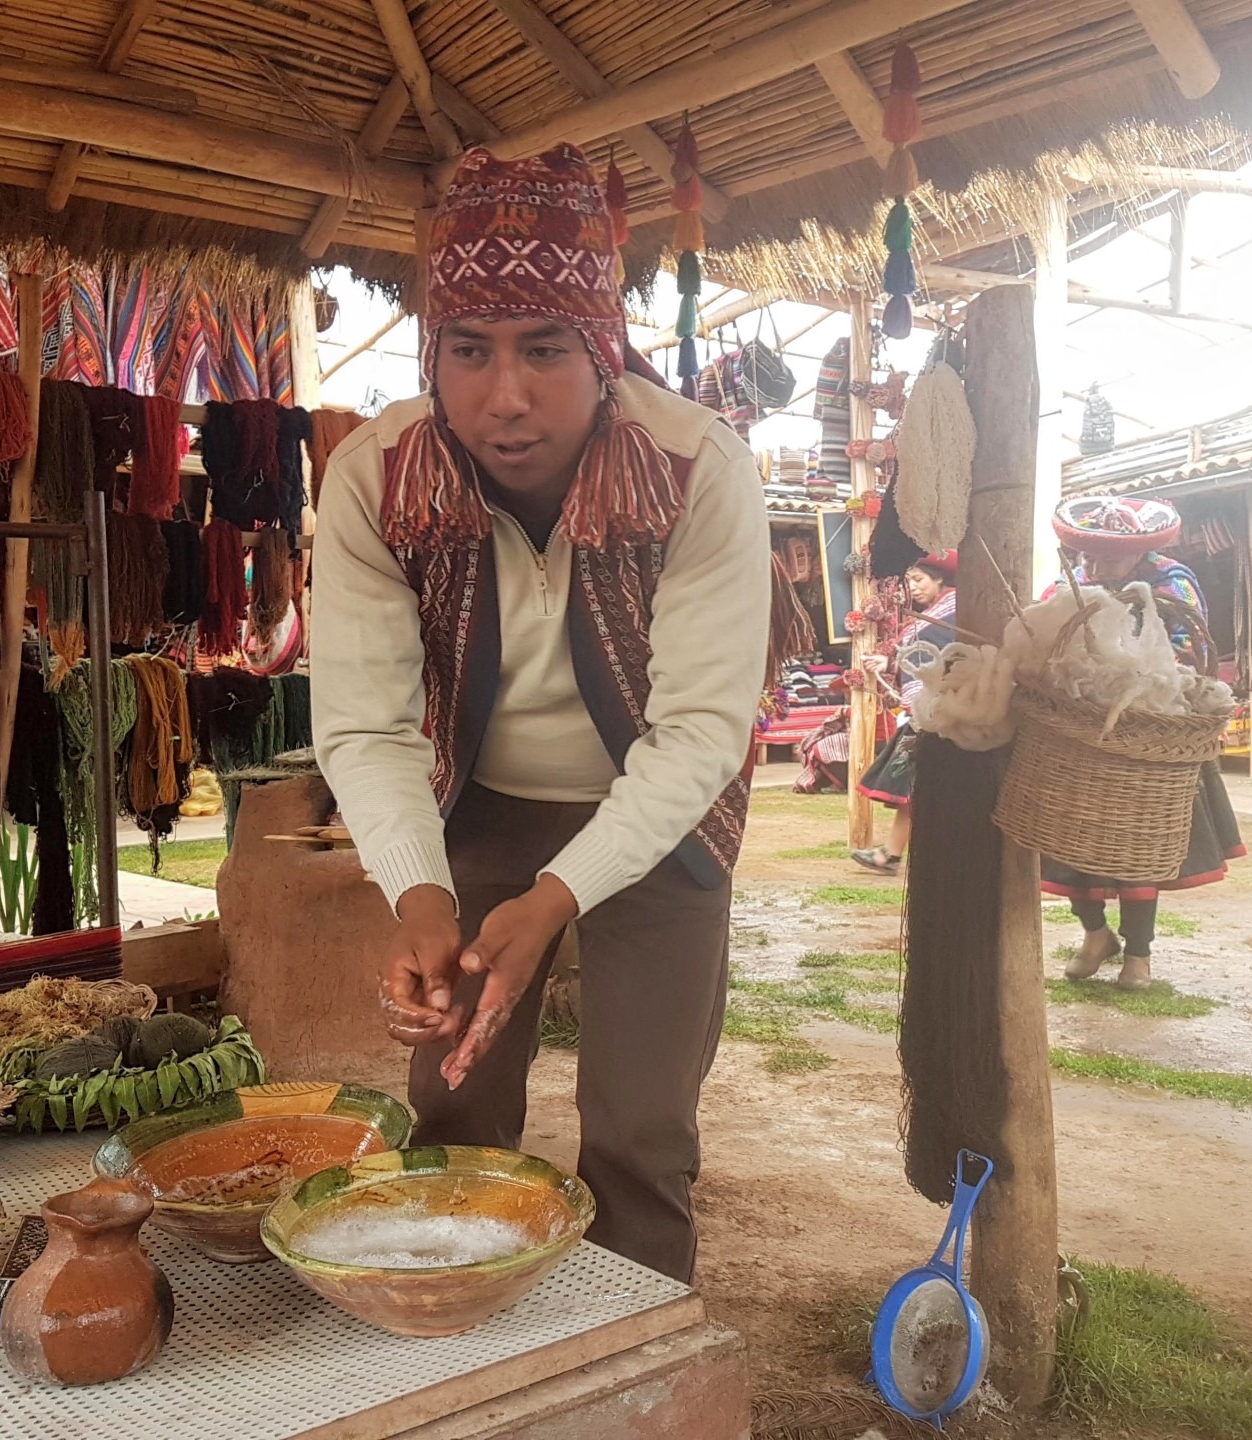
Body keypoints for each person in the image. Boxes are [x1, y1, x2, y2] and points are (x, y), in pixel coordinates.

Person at [310, 145, 770, 1284]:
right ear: (434, 353)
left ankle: (633, 1365)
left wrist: (560, 894)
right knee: (453, 1103)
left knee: (641, 1132)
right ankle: (463, 1346)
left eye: (545, 351)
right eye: (469, 351)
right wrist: (423, 895)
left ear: (602, 349)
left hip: (660, 817)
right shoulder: (375, 478)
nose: (504, 396)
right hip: (482, 808)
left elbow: (700, 733)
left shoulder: (696, 469)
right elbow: (364, 725)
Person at [1044, 495, 1246, 990]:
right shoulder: (1073, 583)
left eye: (1106, 557)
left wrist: (1130, 679)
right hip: (1082, 734)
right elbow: (1047, 637)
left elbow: (1187, 651)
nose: (1093, 565)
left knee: (1138, 846)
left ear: (1138, 552)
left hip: (1152, 732)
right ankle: (1095, 934)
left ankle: (1139, 956)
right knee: (1077, 840)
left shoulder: (1172, 584)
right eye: (1086, 555)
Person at [851, 552, 958, 874]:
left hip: (950, 715)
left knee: (924, 787)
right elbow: (926, 656)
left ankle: (900, 855)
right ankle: (891, 854)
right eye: (910, 580)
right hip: (933, 714)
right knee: (918, 788)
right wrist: (891, 664)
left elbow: (946, 656)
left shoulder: (953, 612)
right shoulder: (937, 614)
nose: (914, 587)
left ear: (940, 579)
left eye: (919, 579)